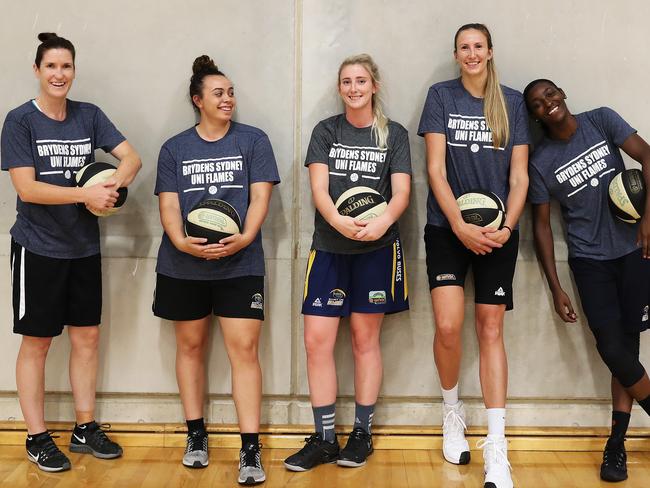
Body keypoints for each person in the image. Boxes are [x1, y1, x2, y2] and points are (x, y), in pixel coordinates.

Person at [0, 33, 141, 472]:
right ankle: (37, 436)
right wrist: (84, 196)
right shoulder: (20, 121)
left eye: (66, 66)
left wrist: (110, 190)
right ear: (38, 71)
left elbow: (131, 159)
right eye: (51, 67)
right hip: (38, 247)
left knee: (87, 338)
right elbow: (26, 187)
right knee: (38, 342)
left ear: (73, 70)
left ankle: (84, 428)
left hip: (82, 249)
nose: (59, 74)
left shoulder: (89, 115)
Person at [152, 55, 279, 486]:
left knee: (244, 351)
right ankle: (196, 436)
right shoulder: (174, 148)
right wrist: (180, 240)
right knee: (190, 347)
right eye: (218, 93)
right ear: (197, 100)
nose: (227, 99)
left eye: (230, 92)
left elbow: (260, 199)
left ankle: (249, 448)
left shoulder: (253, 140)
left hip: (240, 263)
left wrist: (244, 238)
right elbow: (168, 205)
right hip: (182, 265)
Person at [283, 53, 411, 472]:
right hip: (330, 248)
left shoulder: (395, 135)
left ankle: (361, 434)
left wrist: (383, 223)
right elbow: (319, 189)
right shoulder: (326, 131)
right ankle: (324, 439)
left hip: (376, 249)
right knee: (317, 341)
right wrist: (337, 221)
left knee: (363, 341)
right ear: (340, 89)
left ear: (374, 85)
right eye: (346, 82)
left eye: (360, 80)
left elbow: (402, 192)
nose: (353, 88)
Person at [417, 23, 529, 488]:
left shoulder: (514, 101)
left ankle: (497, 447)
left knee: (490, 327)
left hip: (499, 232)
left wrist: (504, 227)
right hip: (448, 228)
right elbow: (435, 170)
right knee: (447, 325)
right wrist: (460, 226)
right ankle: (451, 412)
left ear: (490, 51)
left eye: (478, 46)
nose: (471, 54)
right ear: (456, 53)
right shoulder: (441, 96)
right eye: (464, 47)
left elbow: (519, 179)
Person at [524, 78, 650, 483]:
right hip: (589, 261)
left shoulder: (602, 120)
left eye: (550, 94)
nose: (548, 104)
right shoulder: (541, 160)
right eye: (538, 104)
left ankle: (616, 445)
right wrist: (555, 285)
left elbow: (648, 156)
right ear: (535, 116)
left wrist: (648, 219)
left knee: (627, 350)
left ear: (562, 93)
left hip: (634, 252)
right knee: (612, 348)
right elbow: (541, 227)